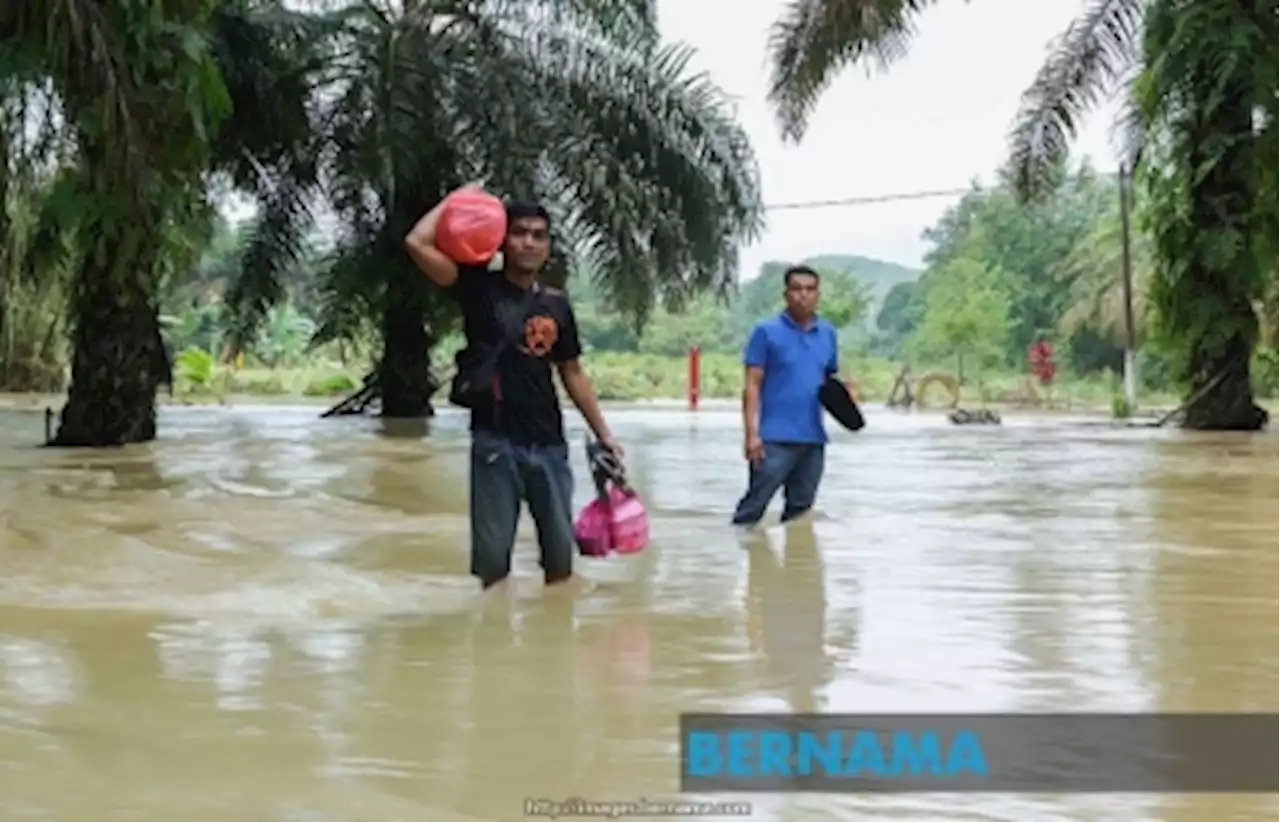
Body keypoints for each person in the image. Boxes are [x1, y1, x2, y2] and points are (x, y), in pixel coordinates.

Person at [404, 185, 621, 590]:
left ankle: (554, 646)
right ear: (502, 239)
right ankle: (494, 642)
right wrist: (455, 199)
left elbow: (572, 372)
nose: (529, 242)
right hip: (494, 444)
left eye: (539, 235)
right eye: (520, 232)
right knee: (493, 566)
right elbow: (416, 242)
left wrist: (604, 434)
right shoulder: (476, 288)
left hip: (550, 445)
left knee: (560, 561)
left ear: (548, 246)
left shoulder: (556, 304)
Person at [732, 264, 839, 526]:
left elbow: (829, 382)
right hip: (772, 440)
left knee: (800, 515)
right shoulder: (766, 332)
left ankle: (796, 566)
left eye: (810, 289)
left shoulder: (828, 334)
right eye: (797, 289)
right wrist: (751, 435)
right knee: (752, 510)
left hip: (813, 440)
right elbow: (752, 385)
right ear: (785, 294)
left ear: (818, 294)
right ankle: (744, 558)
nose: (803, 295)